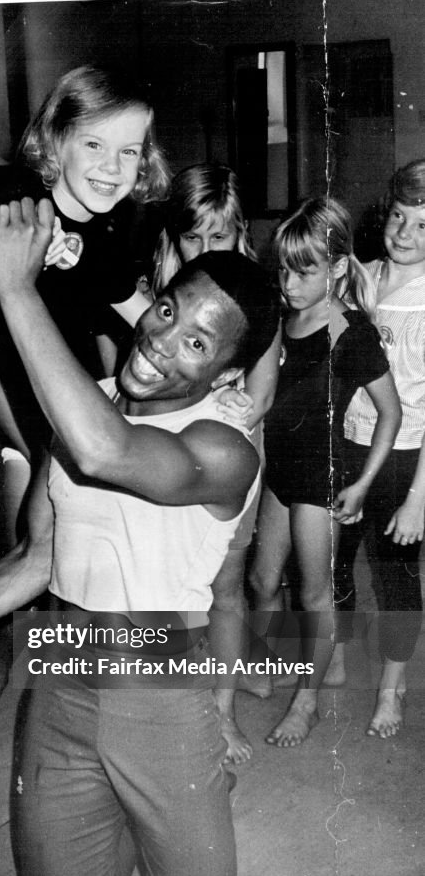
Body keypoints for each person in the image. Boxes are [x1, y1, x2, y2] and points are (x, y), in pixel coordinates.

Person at [0, 199, 281, 876]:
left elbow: (107, 454)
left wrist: (16, 289)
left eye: (197, 342)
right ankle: (135, 814)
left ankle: (174, 804)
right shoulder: (89, 408)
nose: (162, 341)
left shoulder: (225, 447)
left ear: (227, 373)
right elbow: (37, 558)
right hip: (65, 666)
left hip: (163, 689)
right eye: (167, 311)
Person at [0, 64, 170, 738]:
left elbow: (134, 307)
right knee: (43, 549)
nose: (112, 168)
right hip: (8, 400)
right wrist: (25, 244)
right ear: (57, 141)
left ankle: (60, 681)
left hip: (67, 396)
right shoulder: (19, 193)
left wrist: (217, 360)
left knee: (56, 551)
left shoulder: (111, 223)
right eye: (94, 146)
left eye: (129, 151)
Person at [249, 196, 401, 748]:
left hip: (322, 478)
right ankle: (271, 664)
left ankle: (307, 701)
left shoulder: (350, 333)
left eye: (303, 270)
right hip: (278, 474)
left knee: (315, 594)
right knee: (263, 582)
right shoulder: (286, 315)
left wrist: (361, 484)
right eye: (283, 268)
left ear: (336, 269)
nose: (288, 281)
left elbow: (392, 411)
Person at [151, 163, 281, 764]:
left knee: (223, 590)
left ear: (240, 235)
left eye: (219, 236)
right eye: (192, 236)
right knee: (161, 595)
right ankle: (173, 704)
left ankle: (223, 712)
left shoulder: (255, 297)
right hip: (153, 460)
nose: (204, 250)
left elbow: (260, 397)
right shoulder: (153, 292)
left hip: (225, 459)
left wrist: (222, 413)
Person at [334, 160, 425, 737]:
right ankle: (337, 655)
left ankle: (392, 687)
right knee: (332, 558)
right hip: (345, 440)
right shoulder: (360, 278)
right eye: (398, 215)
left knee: (392, 573)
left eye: (423, 224)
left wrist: (418, 498)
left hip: (405, 454)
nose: (405, 232)